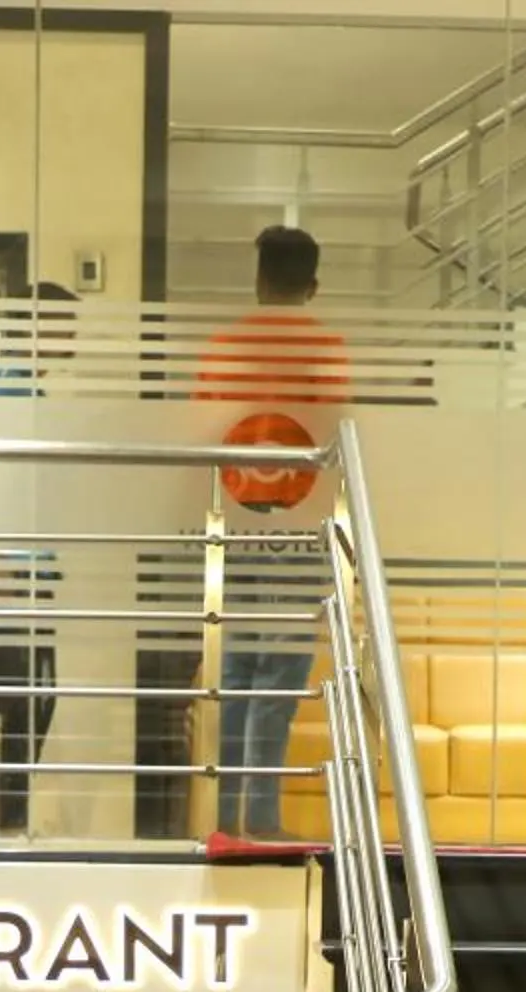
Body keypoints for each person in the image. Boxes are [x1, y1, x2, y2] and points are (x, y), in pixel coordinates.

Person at [197, 227, 349, 840]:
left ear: (258, 281)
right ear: (312, 286)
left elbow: (202, 429)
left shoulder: (225, 347)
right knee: (279, 677)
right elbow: (338, 432)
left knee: (233, 671)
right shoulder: (326, 348)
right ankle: (259, 819)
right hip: (294, 522)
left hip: (233, 523)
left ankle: (223, 812)